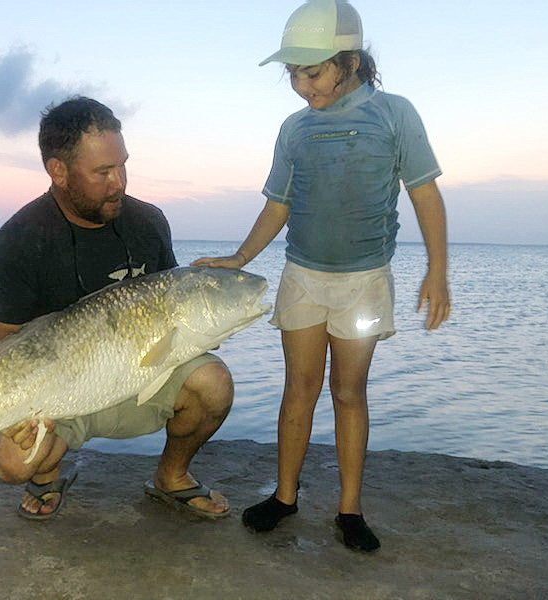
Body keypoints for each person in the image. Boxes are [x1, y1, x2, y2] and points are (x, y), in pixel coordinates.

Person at [193, 0, 451, 551]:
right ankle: (285, 496)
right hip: (304, 276)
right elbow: (278, 204)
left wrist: (438, 270)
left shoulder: (394, 114)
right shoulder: (295, 129)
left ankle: (349, 509)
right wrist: (238, 259)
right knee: (299, 390)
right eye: (293, 74)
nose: (302, 85)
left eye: (312, 71)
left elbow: (425, 192)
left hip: (364, 280)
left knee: (349, 392)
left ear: (351, 62)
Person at [0, 96, 231, 521]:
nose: (120, 182)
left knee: (214, 384)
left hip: (139, 375)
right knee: (11, 461)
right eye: (103, 172)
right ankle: (47, 473)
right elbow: (5, 342)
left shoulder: (148, 222)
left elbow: (173, 308)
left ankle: (171, 477)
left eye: (123, 166)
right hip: (58, 396)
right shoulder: (19, 240)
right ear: (58, 171)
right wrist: (12, 413)